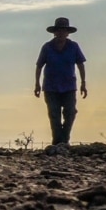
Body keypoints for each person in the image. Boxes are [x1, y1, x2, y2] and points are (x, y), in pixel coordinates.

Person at [34, 17, 87, 147]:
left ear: (68, 33)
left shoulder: (73, 46)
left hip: (69, 86)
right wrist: (37, 83)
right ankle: (58, 142)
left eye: (63, 31)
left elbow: (80, 64)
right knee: (54, 114)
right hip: (51, 86)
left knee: (70, 112)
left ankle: (64, 139)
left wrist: (83, 83)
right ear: (54, 32)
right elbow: (39, 65)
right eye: (58, 31)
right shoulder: (47, 47)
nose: (61, 33)